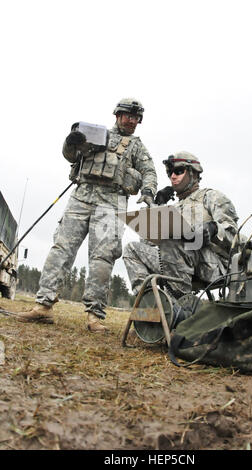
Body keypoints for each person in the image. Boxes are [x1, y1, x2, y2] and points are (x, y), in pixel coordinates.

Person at [17, 98, 157, 332]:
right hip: (82, 196)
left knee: (102, 258)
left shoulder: (136, 147)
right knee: (61, 248)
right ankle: (43, 306)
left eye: (136, 118)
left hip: (111, 204)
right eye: (128, 116)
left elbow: (149, 171)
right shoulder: (95, 135)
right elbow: (72, 155)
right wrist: (69, 143)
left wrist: (149, 191)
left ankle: (94, 316)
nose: (132, 121)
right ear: (118, 116)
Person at [123, 151, 238, 298]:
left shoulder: (211, 197)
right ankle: (151, 302)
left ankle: (181, 304)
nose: (173, 176)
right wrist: (158, 205)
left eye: (178, 171)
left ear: (193, 173)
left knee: (172, 242)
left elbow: (234, 236)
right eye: (170, 172)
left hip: (212, 265)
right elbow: (149, 243)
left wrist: (213, 229)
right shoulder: (174, 208)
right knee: (131, 249)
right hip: (174, 260)